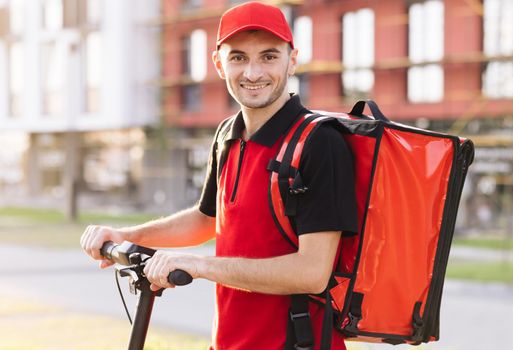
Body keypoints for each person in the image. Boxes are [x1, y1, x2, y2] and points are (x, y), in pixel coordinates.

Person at [80, 2, 357, 349]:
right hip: (228, 341)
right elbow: (207, 219)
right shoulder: (228, 134)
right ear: (218, 63)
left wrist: (199, 265)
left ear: (293, 59)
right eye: (238, 57)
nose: (253, 73)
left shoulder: (319, 142)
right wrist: (124, 234)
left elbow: (312, 272)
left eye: (269, 57)